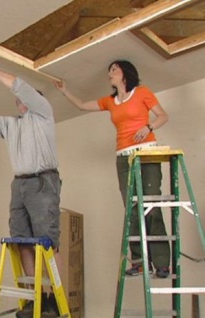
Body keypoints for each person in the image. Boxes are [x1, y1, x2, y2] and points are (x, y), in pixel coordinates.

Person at [54, 60, 170, 278]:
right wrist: (64, 90)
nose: (110, 74)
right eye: (109, 71)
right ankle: (138, 261)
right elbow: (81, 105)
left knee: (152, 205)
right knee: (132, 209)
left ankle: (162, 262)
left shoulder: (142, 92)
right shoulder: (110, 101)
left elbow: (163, 115)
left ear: (125, 73)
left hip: (146, 154)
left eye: (114, 70)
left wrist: (149, 127)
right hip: (123, 158)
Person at [0, 56, 62, 318]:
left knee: (47, 244)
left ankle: (52, 298)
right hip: (19, 185)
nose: (18, 101)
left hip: (43, 182)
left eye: (22, 99)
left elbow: (19, 86)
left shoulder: (43, 113)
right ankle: (35, 298)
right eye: (17, 101)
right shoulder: (11, 125)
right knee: (22, 242)